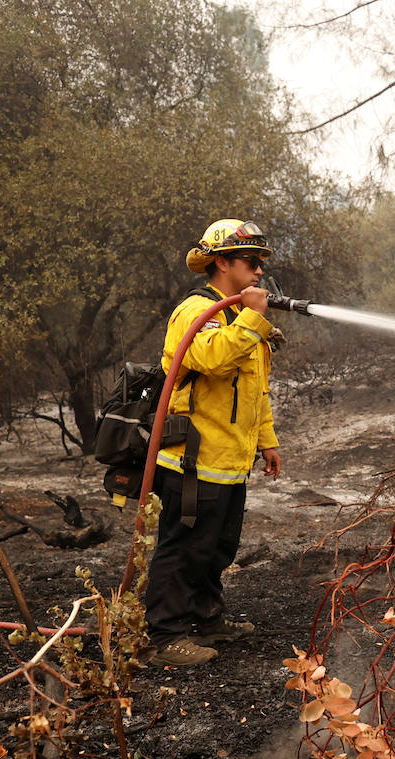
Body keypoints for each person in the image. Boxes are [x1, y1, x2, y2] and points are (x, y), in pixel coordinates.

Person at [144, 218, 282, 667]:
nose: (259, 270)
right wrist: (253, 319)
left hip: (230, 461)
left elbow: (256, 390)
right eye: (249, 261)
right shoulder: (194, 312)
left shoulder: (241, 321)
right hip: (193, 461)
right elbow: (213, 359)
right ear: (221, 263)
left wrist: (267, 442)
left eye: (260, 262)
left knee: (217, 547)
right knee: (183, 548)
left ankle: (206, 619)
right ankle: (164, 638)